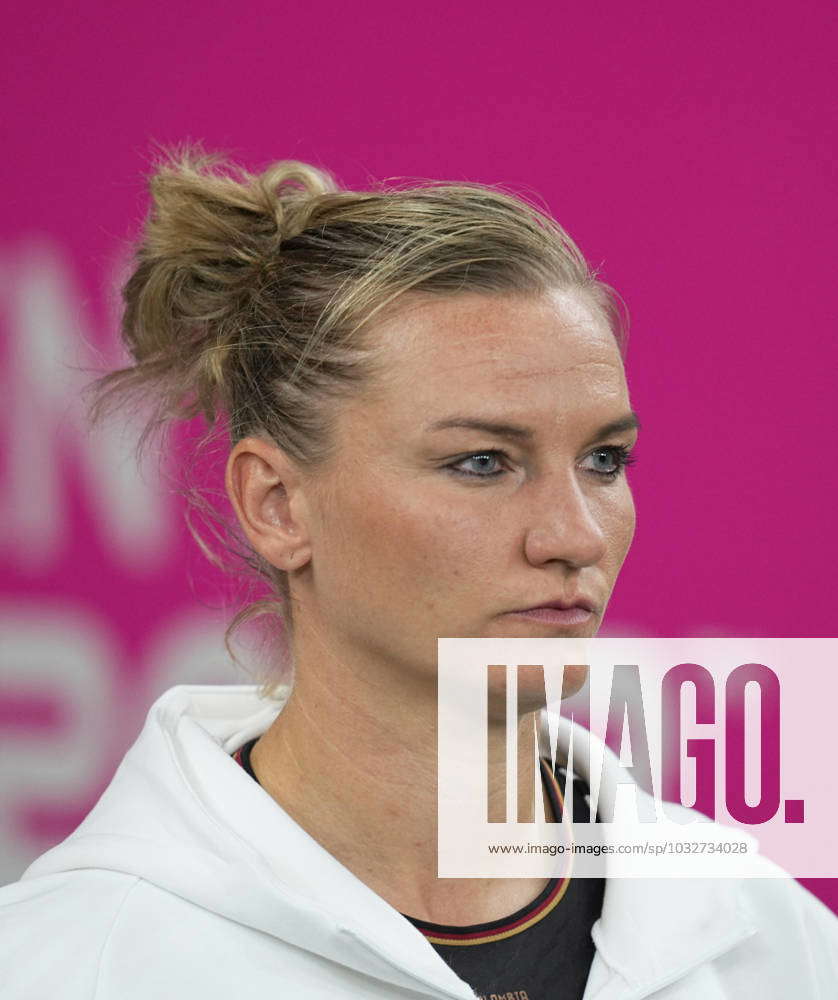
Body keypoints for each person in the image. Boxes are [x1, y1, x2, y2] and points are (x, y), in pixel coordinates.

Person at [1, 147, 836, 999]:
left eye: (605, 459)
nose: (575, 534)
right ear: (278, 504)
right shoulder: (63, 965)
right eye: (482, 462)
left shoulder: (774, 948)